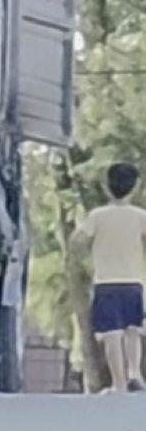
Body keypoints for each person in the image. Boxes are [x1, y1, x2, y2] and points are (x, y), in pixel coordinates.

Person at [70, 162, 146, 393]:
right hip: (134, 281)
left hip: (106, 282)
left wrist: (85, 252)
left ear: (106, 187)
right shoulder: (140, 216)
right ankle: (135, 373)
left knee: (112, 335)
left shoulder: (98, 216)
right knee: (133, 330)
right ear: (136, 186)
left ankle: (119, 383)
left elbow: (77, 240)